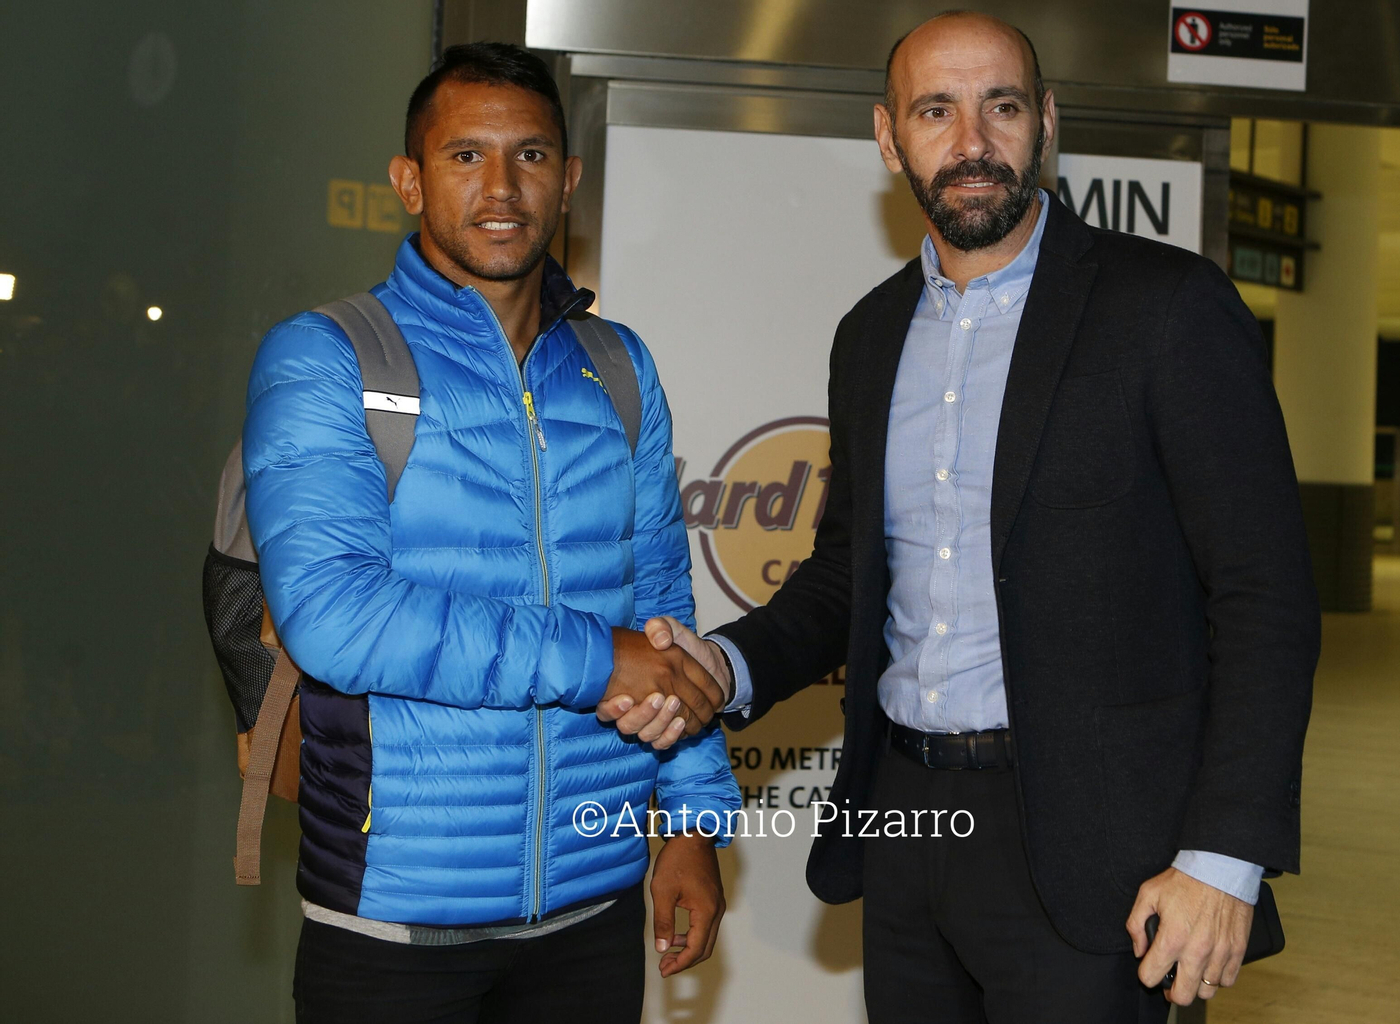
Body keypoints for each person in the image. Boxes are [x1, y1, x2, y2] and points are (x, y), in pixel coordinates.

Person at [605, 11, 1319, 1022]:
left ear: (1046, 122)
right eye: (936, 110)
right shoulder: (870, 335)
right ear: (888, 135)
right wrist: (724, 667)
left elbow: (1265, 597)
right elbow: (850, 573)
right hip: (907, 823)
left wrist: (1223, 856)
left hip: (1101, 855)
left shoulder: (1167, 307)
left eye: (1002, 106)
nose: (973, 140)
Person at [243, 43, 737, 1024]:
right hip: (393, 923)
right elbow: (334, 616)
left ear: (570, 179)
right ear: (409, 181)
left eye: (531, 156)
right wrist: (598, 660)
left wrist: (690, 820)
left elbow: (661, 609)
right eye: (466, 156)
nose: (502, 187)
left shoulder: (618, 366)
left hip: (591, 911)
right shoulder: (326, 356)